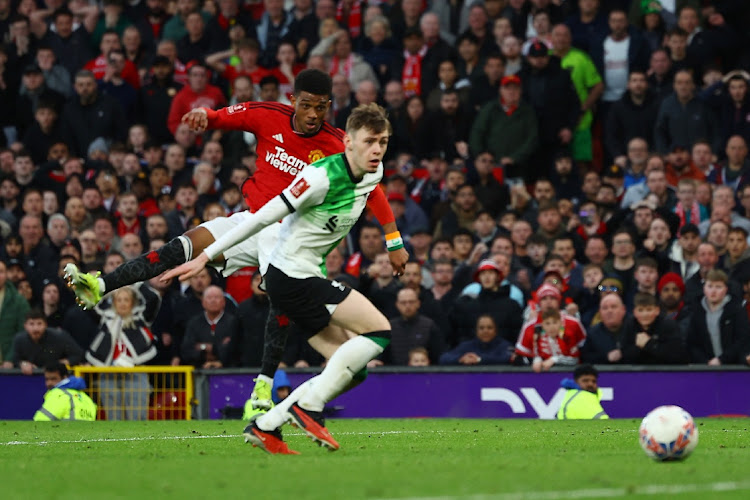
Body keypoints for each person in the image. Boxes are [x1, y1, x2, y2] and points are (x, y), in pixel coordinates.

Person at [64, 70, 408, 414]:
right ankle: (100, 284)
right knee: (179, 247)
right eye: (306, 105)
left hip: (287, 231)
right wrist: (206, 116)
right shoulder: (269, 115)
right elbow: (230, 116)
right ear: (293, 101)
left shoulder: (338, 144)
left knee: (279, 293)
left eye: (320, 107)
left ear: (328, 106)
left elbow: (373, 192)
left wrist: (394, 242)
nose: (313, 114)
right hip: (250, 220)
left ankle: (262, 392)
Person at [164, 103, 394, 455]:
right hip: (289, 276)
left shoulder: (372, 174)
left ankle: (267, 425)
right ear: (347, 141)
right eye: (369, 141)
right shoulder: (320, 176)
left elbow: (378, 199)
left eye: (383, 141)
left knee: (352, 369)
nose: (376, 149)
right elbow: (260, 218)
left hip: (303, 277)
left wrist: (394, 240)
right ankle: (308, 407)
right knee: (379, 331)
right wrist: (206, 256)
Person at [87, 284, 160, 420]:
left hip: (136, 374)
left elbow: (153, 299)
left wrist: (135, 283)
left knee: (137, 418)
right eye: (119, 300)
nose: (122, 304)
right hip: (109, 375)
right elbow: (90, 304)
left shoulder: (141, 318)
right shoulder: (105, 318)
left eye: (126, 300)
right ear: (113, 302)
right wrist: (108, 288)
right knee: (114, 419)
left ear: (133, 302)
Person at [687, 270, 750, 365]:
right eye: (710, 286)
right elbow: (692, 343)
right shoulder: (697, 311)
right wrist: (706, 362)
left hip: (734, 367)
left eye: (718, 287)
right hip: (704, 368)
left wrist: (721, 360)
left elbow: (742, 340)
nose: (713, 291)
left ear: (726, 289)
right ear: (704, 288)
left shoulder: (736, 310)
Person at [3, 309, 83, 373]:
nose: (35, 328)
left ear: (46, 325)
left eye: (39, 324)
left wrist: (61, 363)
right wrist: (23, 364)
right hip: (30, 379)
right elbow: (15, 359)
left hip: (56, 378)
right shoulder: (19, 339)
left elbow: (78, 355)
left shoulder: (59, 336)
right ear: (25, 326)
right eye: (31, 324)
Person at [439, 314, 512, 366]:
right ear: (476, 331)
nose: (485, 331)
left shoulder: (504, 345)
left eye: (489, 328)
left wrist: (479, 360)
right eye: (481, 328)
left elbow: (508, 358)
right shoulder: (467, 346)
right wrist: (461, 359)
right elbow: (444, 358)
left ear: (495, 330)